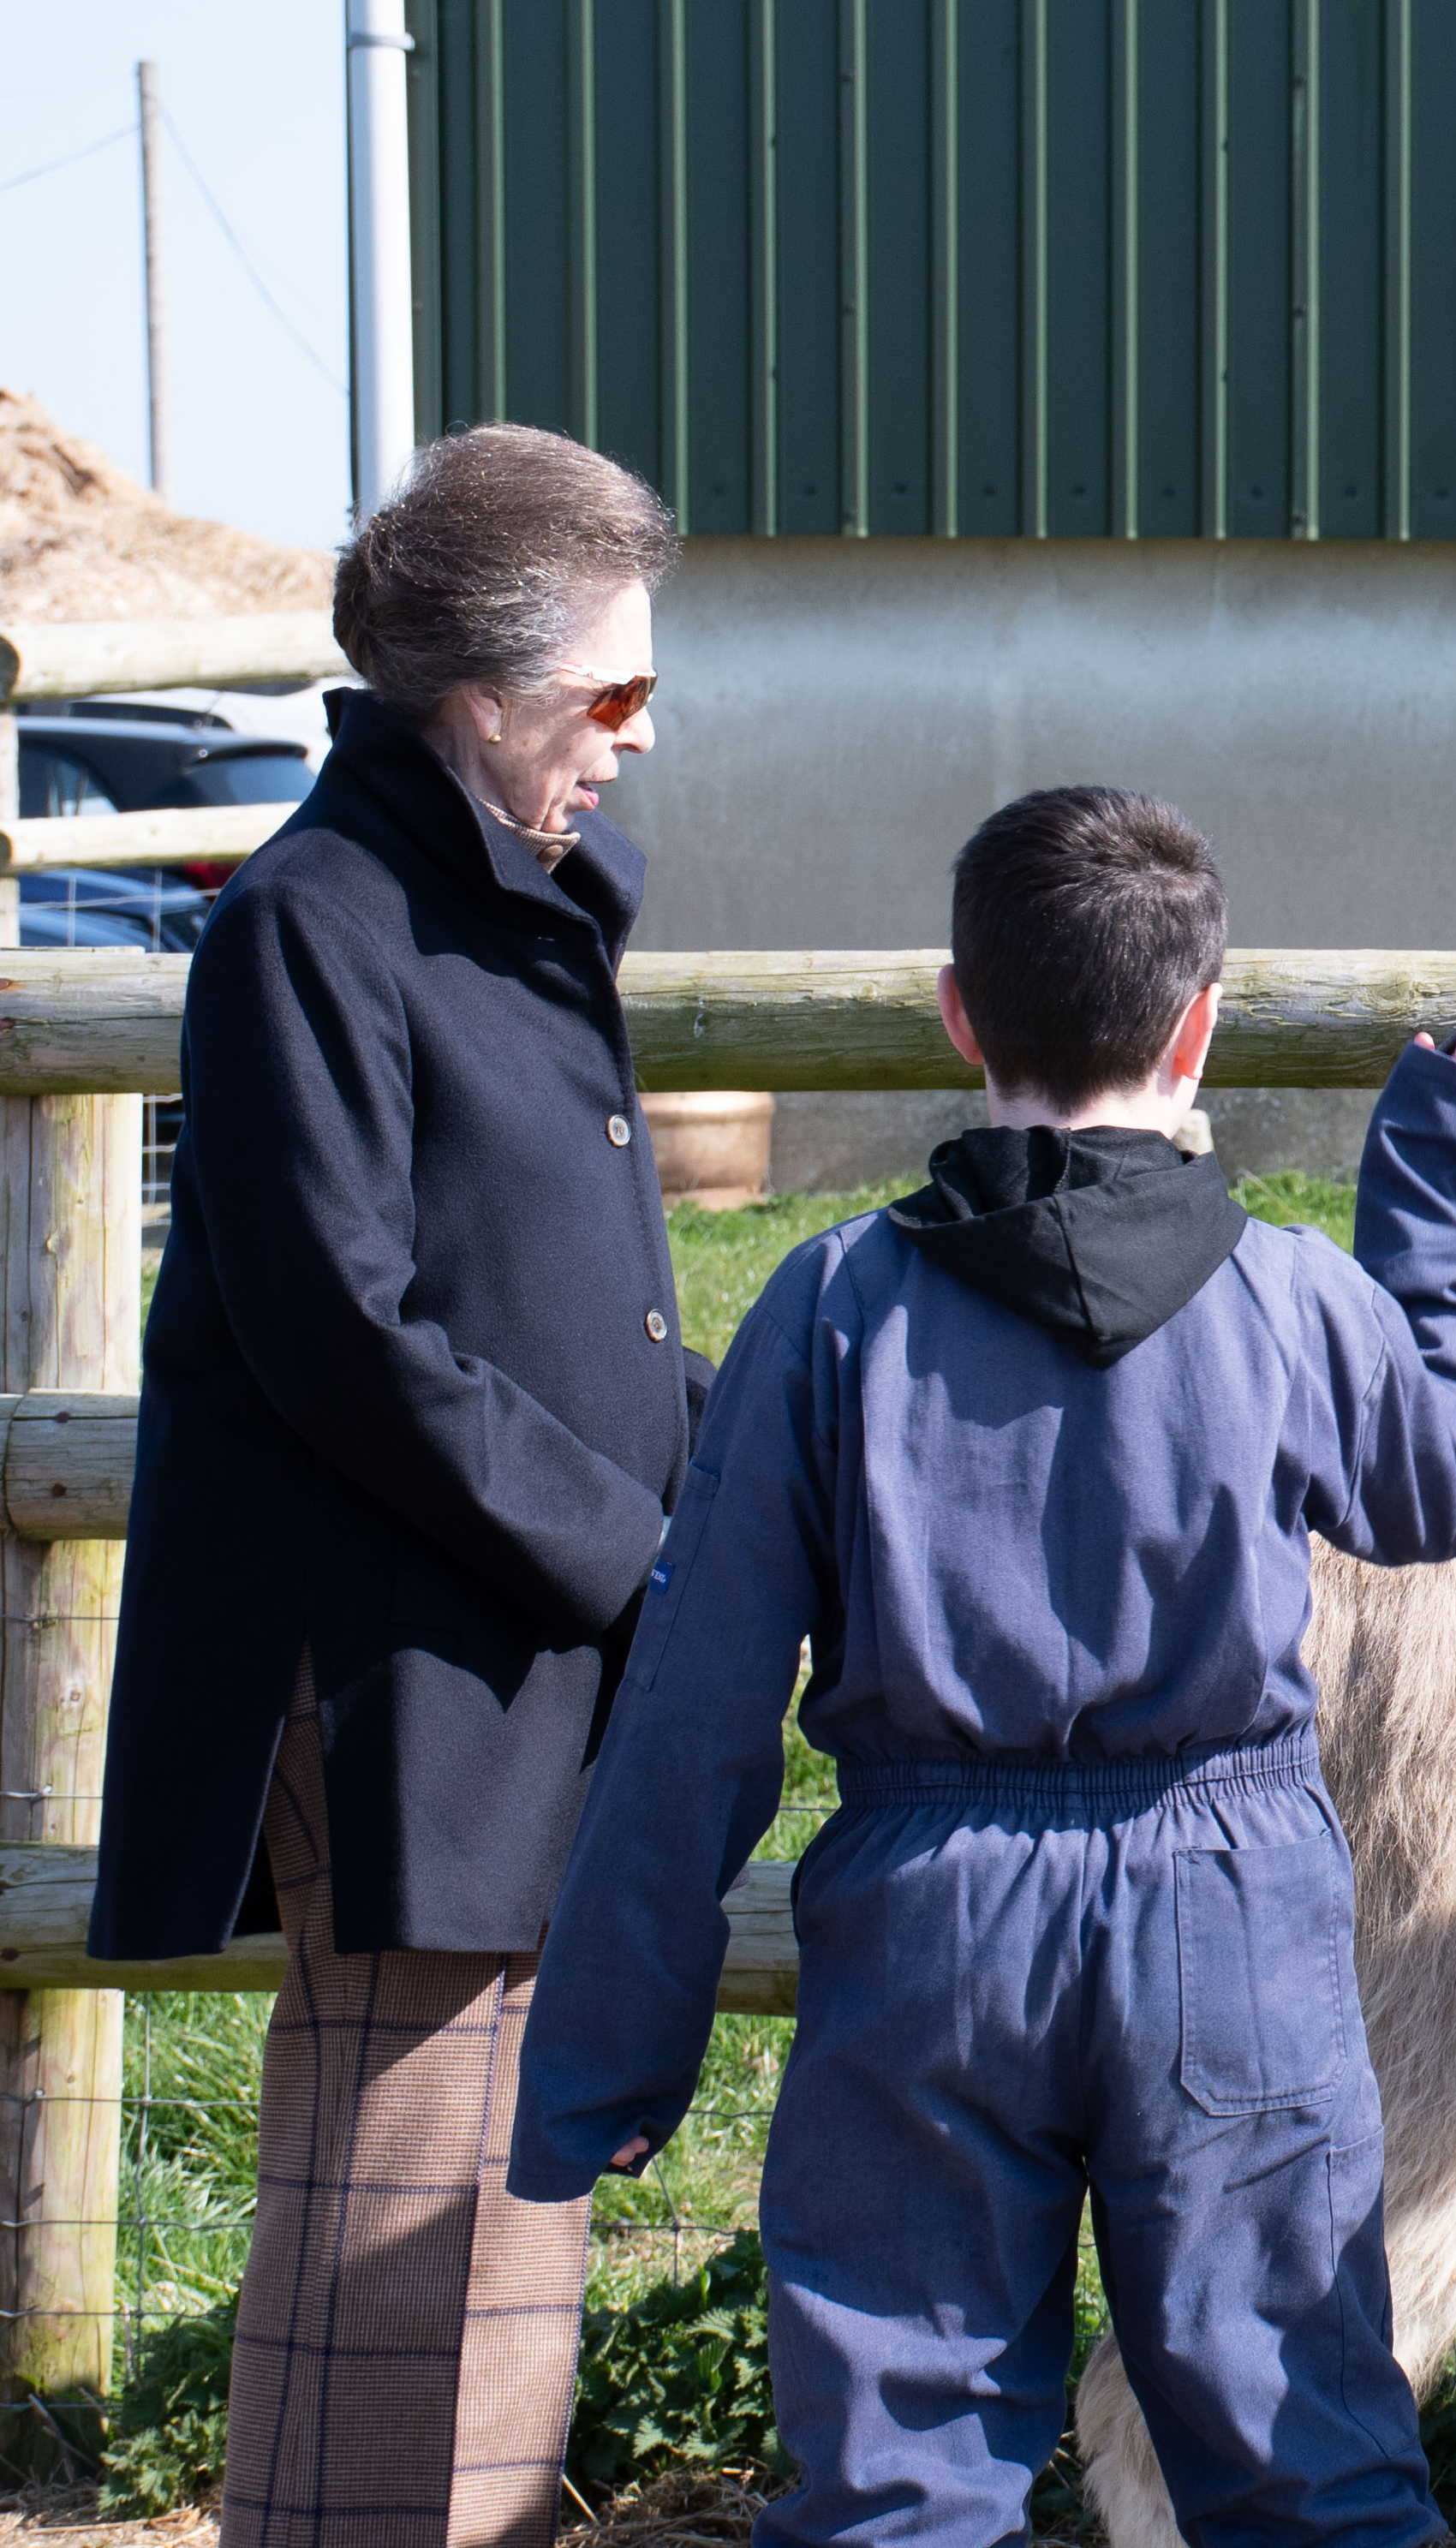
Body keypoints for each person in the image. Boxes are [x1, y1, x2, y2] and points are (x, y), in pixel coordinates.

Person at [509, 786, 1456, 2545]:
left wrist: (609, 2048)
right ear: (1198, 1022)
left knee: (900, 2468)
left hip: (934, 1924)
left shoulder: (830, 1306)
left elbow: (698, 1699)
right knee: (1308, 2457)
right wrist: (1450, 1184)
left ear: (957, 1013)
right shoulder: (1294, 1297)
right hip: (1229, 1910)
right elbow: (1439, 1482)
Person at [86, 423, 698, 2548]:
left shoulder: (500, 903)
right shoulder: (316, 921)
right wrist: (638, 1548)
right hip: (393, 1677)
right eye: (614, 691)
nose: (641, 731)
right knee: (395, 2213)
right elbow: (337, 1328)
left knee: (498, 2204)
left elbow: (566, 1303)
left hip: (504, 1653)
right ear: (487, 690)